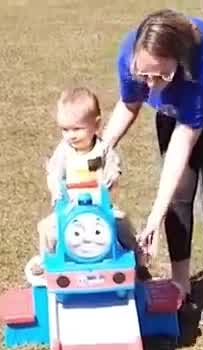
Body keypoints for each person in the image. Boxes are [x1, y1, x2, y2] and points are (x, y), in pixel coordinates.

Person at [101, 9, 203, 325]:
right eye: (144, 74)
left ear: (180, 60)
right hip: (177, 111)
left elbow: (183, 143)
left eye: (161, 76)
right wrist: (101, 151)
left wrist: (155, 215)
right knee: (178, 195)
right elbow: (129, 104)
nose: (150, 84)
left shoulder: (202, 67)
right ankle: (180, 284)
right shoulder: (130, 55)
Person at [27, 87, 141, 278]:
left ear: (96, 126)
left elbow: (114, 167)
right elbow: (54, 174)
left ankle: (137, 260)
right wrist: (56, 190)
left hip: (100, 205)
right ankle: (47, 261)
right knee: (46, 228)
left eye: (77, 129)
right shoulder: (63, 151)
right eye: (65, 129)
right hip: (70, 207)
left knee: (122, 224)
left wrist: (111, 176)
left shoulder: (103, 149)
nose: (70, 135)